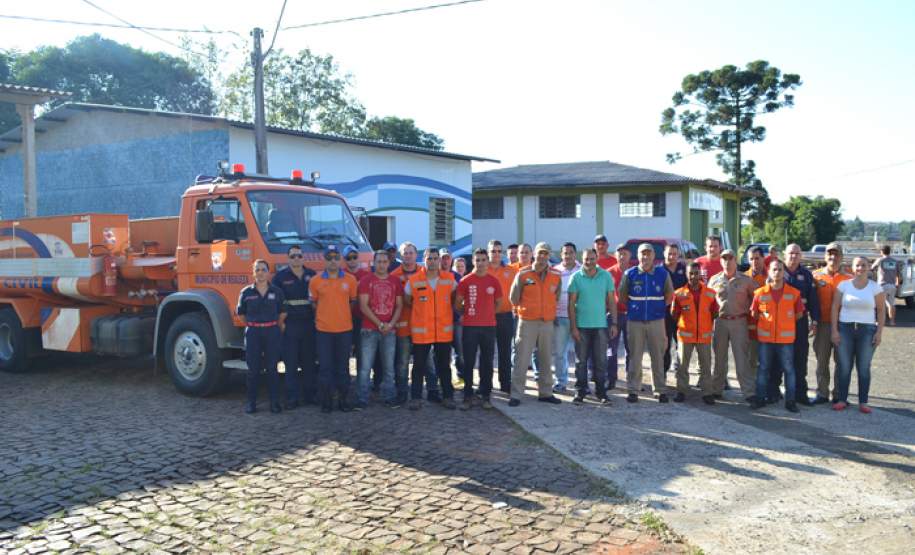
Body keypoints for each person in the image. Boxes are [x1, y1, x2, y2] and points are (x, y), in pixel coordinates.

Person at [508, 242, 563, 406]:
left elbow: (556, 296)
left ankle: (545, 393)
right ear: (534, 254)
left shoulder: (556, 275)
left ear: (549, 255)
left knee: (546, 359)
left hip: (546, 322)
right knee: (522, 359)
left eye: (546, 254)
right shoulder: (523, 274)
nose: (543, 257)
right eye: (540, 253)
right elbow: (513, 297)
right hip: (527, 322)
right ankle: (516, 395)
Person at [619, 243, 674, 403]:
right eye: (643, 254)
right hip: (635, 322)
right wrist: (636, 308)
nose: (646, 257)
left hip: (656, 321)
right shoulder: (630, 274)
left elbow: (669, 295)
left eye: (649, 254)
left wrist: (656, 309)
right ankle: (633, 390)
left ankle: (660, 390)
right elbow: (622, 297)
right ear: (638, 256)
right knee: (635, 357)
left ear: (653, 256)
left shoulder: (662, 274)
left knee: (658, 356)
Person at [405, 248, 457, 410]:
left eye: (435, 258)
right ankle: (415, 398)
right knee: (418, 366)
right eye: (429, 258)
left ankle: (448, 397)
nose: (433, 261)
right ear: (424, 259)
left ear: (439, 261)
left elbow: (455, 298)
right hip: (422, 332)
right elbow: (408, 300)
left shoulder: (449, 279)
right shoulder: (414, 280)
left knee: (444, 366)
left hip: (443, 331)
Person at [831, 256, 885, 413]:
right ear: (852, 268)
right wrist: (834, 330)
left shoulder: (875, 288)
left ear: (869, 267)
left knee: (863, 367)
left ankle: (863, 402)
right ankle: (842, 399)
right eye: (857, 266)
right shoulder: (844, 285)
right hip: (845, 328)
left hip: (867, 330)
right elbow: (835, 307)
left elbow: (881, 311)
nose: (860, 268)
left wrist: (879, 332)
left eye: (863, 265)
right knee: (844, 366)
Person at [750, 259, 804, 412]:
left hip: (785, 340)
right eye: (774, 269)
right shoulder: (760, 293)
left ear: (784, 272)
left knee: (789, 369)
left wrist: (783, 323)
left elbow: (799, 314)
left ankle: (790, 401)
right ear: (769, 271)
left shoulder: (793, 293)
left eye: (780, 270)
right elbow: (754, 313)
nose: (777, 272)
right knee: (763, 369)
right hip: (766, 340)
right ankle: (760, 399)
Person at [309, 245, 358, 413]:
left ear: (340, 260)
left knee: (343, 367)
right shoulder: (315, 281)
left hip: (344, 330)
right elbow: (314, 304)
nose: (333, 261)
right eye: (329, 258)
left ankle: (343, 400)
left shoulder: (350, 280)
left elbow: (352, 302)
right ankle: (326, 401)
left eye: (336, 258)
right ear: (325, 260)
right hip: (323, 331)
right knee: (325, 368)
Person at [392, 242, 441, 403]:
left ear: (416, 255)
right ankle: (402, 393)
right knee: (403, 362)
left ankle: (433, 391)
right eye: (405, 253)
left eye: (411, 252)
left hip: (423, 326)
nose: (408, 255)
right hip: (404, 325)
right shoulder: (394, 276)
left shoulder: (426, 273)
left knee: (428, 362)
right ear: (401, 255)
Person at [355, 250, 403, 409]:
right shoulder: (365, 281)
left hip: (390, 330)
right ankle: (362, 398)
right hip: (369, 329)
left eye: (384, 262)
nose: (382, 265)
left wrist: (391, 324)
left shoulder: (395, 281)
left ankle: (389, 397)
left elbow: (399, 305)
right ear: (374, 263)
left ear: (389, 263)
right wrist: (380, 324)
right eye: (379, 261)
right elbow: (363, 306)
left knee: (389, 367)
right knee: (365, 368)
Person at [568, 248, 617, 404]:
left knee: (601, 361)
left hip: (600, 326)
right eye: (586, 259)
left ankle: (601, 393)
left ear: (597, 258)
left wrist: (614, 323)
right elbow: (571, 304)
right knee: (580, 361)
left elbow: (611, 301)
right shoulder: (576, 277)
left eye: (592, 258)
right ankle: (580, 391)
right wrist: (573, 327)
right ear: (582, 260)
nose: (589, 262)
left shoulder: (606, 276)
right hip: (581, 327)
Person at [237, 259, 287, 414]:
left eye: (263, 269)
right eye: (257, 270)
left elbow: (283, 312)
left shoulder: (277, 292)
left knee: (272, 368)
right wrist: (253, 325)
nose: (260, 272)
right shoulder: (246, 292)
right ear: (253, 273)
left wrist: (273, 325)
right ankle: (251, 403)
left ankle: (274, 403)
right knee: (253, 370)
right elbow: (241, 315)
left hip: (272, 331)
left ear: (268, 272)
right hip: (253, 333)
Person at [456, 248, 503, 410]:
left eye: (483, 260)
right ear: (473, 261)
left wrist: (488, 314)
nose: (481, 263)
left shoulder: (494, 281)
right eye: (478, 260)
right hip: (470, 327)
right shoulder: (465, 281)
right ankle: (467, 396)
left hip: (489, 327)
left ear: (487, 262)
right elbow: (458, 302)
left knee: (487, 363)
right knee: (468, 362)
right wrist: (465, 313)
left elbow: (498, 303)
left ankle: (485, 395)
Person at [272, 245, 317, 409]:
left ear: (303, 257)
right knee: (290, 363)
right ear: (288, 258)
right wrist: (281, 323)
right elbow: (276, 301)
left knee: (309, 363)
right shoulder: (280, 277)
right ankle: (292, 398)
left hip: (308, 324)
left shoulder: (312, 275)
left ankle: (310, 395)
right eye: (293, 256)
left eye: (299, 255)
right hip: (290, 325)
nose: (296, 259)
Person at [708, 249, 757, 402]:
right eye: (724, 258)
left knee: (742, 358)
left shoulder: (746, 280)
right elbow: (708, 302)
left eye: (730, 258)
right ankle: (717, 389)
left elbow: (757, 298)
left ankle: (748, 392)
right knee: (719, 358)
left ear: (735, 260)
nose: (727, 262)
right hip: (720, 322)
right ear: (721, 261)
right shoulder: (714, 280)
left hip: (739, 321)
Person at [779, 244, 821, 406]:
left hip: (800, 322)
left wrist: (815, 320)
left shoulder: (806, 275)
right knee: (778, 359)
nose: (794, 256)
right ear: (785, 255)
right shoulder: (777, 271)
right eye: (790, 253)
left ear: (801, 255)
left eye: (797, 253)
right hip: (780, 323)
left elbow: (813, 300)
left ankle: (800, 394)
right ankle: (774, 392)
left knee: (800, 358)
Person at [671, 262, 718, 404]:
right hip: (685, 335)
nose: (693, 276)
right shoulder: (678, 294)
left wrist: (704, 324)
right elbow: (674, 314)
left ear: (700, 274)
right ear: (686, 274)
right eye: (690, 273)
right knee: (682, 366)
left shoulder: (710, 293)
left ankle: (707, 393)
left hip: (704, 335)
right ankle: (681, 391)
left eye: (696, 273)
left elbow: (715, 312)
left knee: (705, 365)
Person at [812, 243, 852, 404]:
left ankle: (838, 395)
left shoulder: (849, 279)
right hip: (823, 325)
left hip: (843, 326)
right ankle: (822, 393)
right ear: (825, 256)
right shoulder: (815, 276)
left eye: (836, 254)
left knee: (842, 361)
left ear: (841, 257)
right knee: (822, 360)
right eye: (829, 254)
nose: (832, 257)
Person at [487, 239, 517, 393]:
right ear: (489, 252)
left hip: (505, 316)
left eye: (499, 251)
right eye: (493, 251)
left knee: (504, 352)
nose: (496, 254)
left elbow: (519, 292)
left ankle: (505, 384)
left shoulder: (511, 271)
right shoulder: (482, 270)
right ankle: (486, 385)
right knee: (487, 353)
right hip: (487, 318)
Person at [552, 242, 580, 393]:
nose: (568, 255)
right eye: (565, 253)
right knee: (559, 352)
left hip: (579, 318)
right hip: (560, 317)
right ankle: (561, 382)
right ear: (561, 255)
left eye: (571, 252)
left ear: (575, 254)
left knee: (581, 353)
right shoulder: (554, 271)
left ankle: (581, 383)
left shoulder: (582, 270)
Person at [607, 243, 631, 389]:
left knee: (632, 349)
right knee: (611, 349)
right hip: (614, 316)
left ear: (630, 256)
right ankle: (611, 378)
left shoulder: (634, 272)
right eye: (619, 253)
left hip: (631, 316)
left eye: (625, 254)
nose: (622, 256)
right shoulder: (608, 273)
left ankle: (631, 378)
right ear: (615, 255)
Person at [662, 244, 688, 375]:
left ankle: (680, 372)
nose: (672, 256)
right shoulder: (659, 270)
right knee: (664, 345)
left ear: (678, 255)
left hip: (681, 314)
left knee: (681, 344)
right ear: (664, 254)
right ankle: (663, 374)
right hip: (664, 314)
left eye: (674, 254)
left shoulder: (684, 270)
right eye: (669, 253)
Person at [744, 247, 767, 390]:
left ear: (763, 259)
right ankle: (751, 388)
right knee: (750, 359)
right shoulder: (742, 277)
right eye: (751, 259)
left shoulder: (770, 277)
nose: (754, 262)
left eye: (757, 258)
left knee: (766, 360)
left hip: (767, 326)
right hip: (748, 326)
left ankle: (767, 387)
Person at [871, 245, 901, 326]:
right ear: (889, 251)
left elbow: (872, 268)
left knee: (880, 304)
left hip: (882, 285)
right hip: (892, 285)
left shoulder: (880, 260)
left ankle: (879, 321)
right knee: (891, 304)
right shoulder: (895, 261)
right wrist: (897, 283)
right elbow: (898, 274)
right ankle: (892, 321)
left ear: (881, 252)